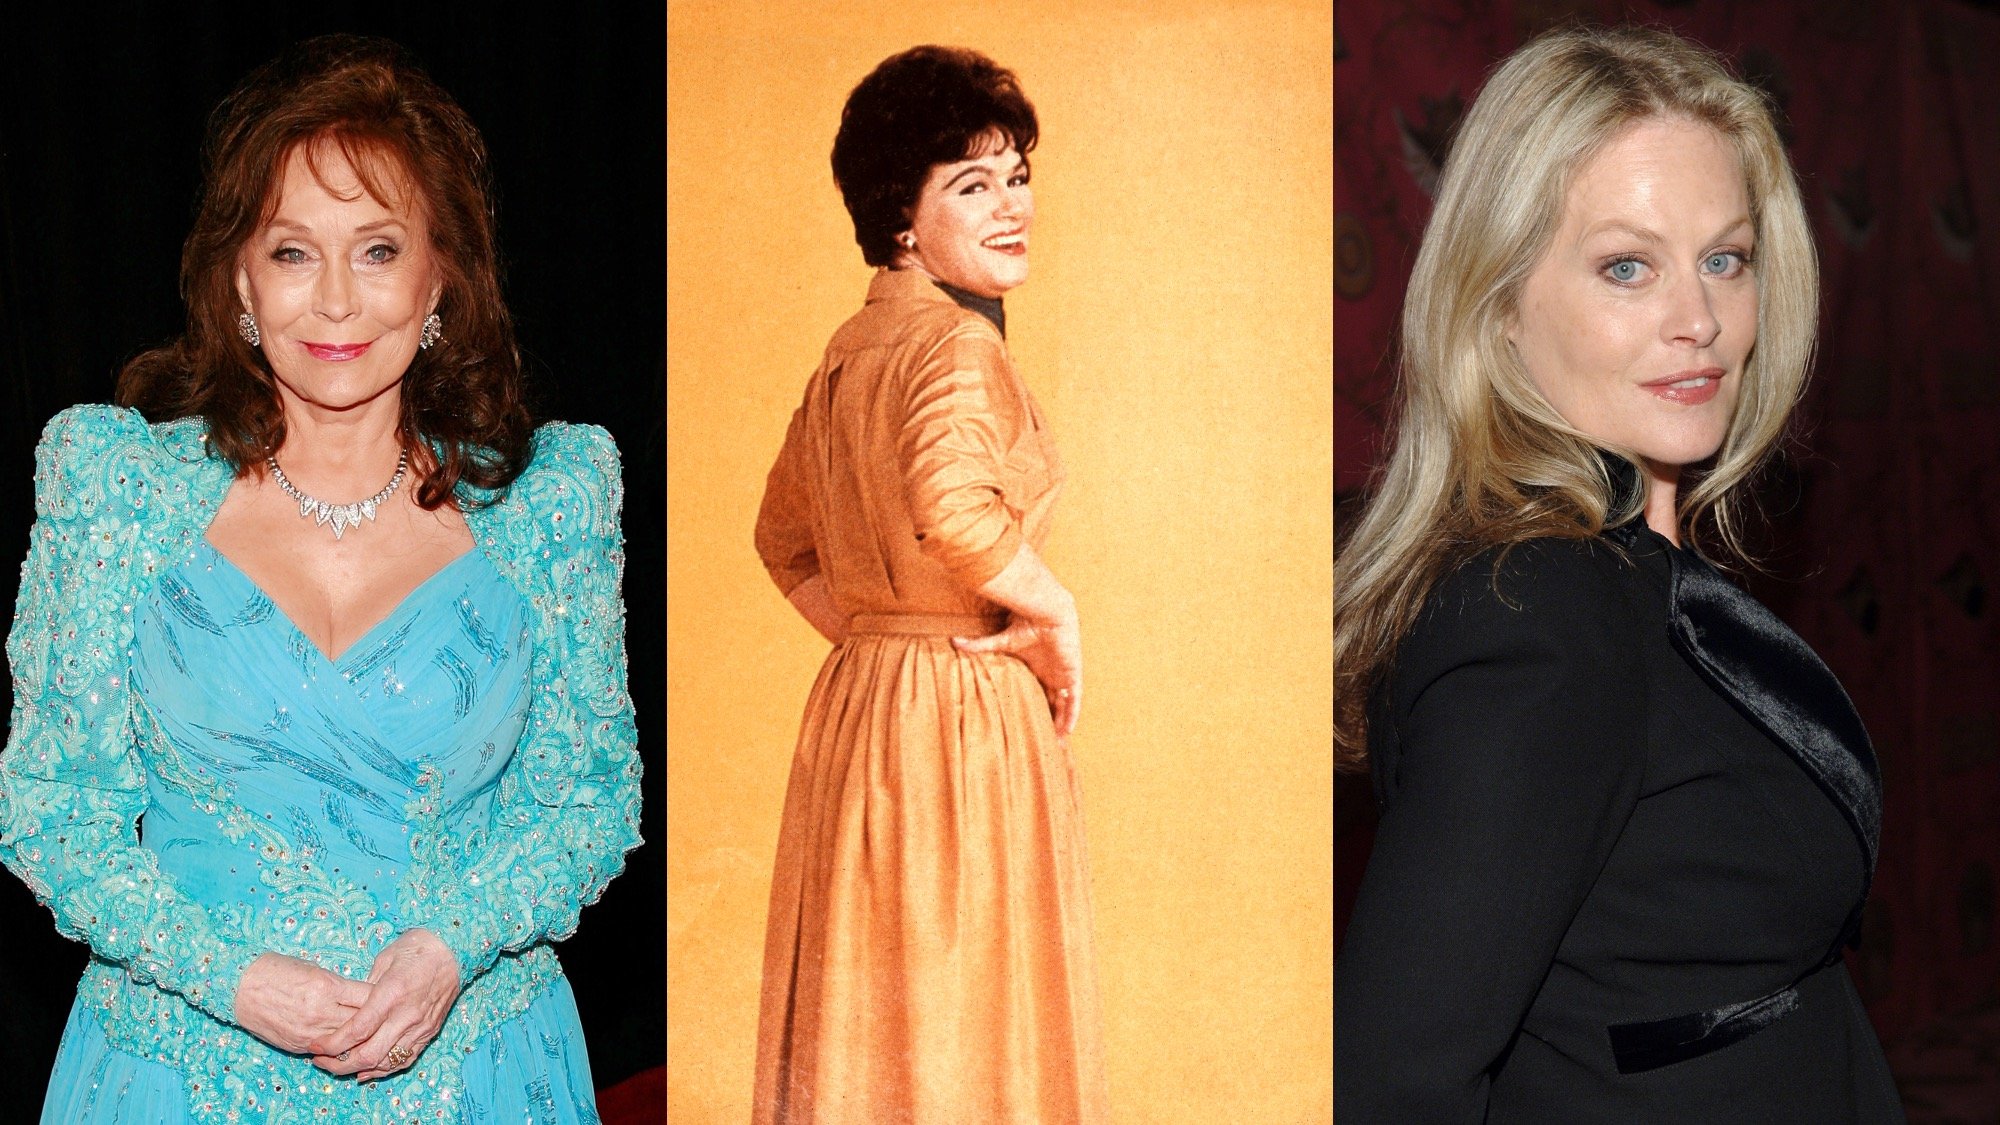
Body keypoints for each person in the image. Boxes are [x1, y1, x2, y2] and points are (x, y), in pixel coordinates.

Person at [0, 35, 638, 1122]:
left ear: (442, 276)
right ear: (238, 281)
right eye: (293, 253)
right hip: (178, 1071)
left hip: (475, 1070)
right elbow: (53, 814)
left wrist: (453, 947)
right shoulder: (116, 491)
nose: (336, 302)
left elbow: (589, 801)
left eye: (379, 250)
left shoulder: (550, 504)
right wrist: (228, 977)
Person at [1333, 26, 1905, 1122]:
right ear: (1498, 310)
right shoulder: (1542, 613)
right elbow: (1392, 1080)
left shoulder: (1632, 573)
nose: (1698, 324)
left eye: (1723, 260)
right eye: (1624, 267)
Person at [752, 45, 1109, 1124]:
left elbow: (783, 545)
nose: (1012, 208)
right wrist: (1051, 608)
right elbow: (951, 512)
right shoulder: (953, 345)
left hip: (866, 716)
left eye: (1016, 176)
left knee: (878, 1032)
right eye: (970, 184)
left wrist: (879, 639)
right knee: (961, 1028)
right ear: (900, 218)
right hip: (958, 718)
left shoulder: (851, 349)